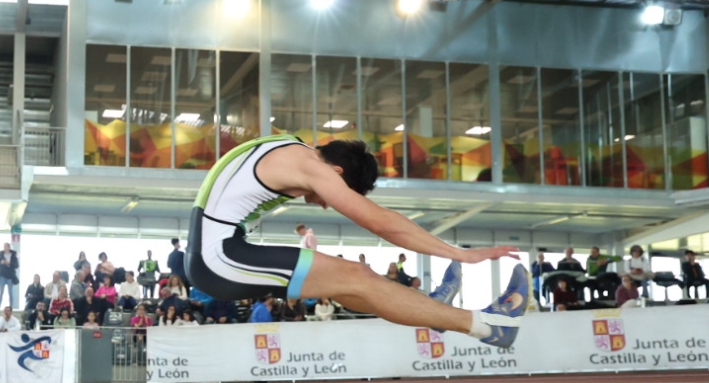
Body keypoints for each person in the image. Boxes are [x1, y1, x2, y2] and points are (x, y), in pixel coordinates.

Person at [186, 136, 525, 346]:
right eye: (333, 194)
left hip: (214, 254)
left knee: (352, 287)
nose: (324, 201)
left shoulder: (289, 146)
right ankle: (489, 325)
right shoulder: (312, 168)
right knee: (357, 276)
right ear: (336, 174)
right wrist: (458, 254)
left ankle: (433, 311)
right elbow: (381, 222)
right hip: (219, 259)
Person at [0, 242, 20, 307]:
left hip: (10, 276)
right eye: (4, 246)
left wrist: (9, 263)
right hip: (2, 275)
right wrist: (2, 263)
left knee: (10, 293)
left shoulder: (13, 255)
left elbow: (16, 265)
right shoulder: (1, 255)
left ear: (9, 247)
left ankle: (11, 306)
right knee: (1, 292)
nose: (5, 248)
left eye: (6, 246)